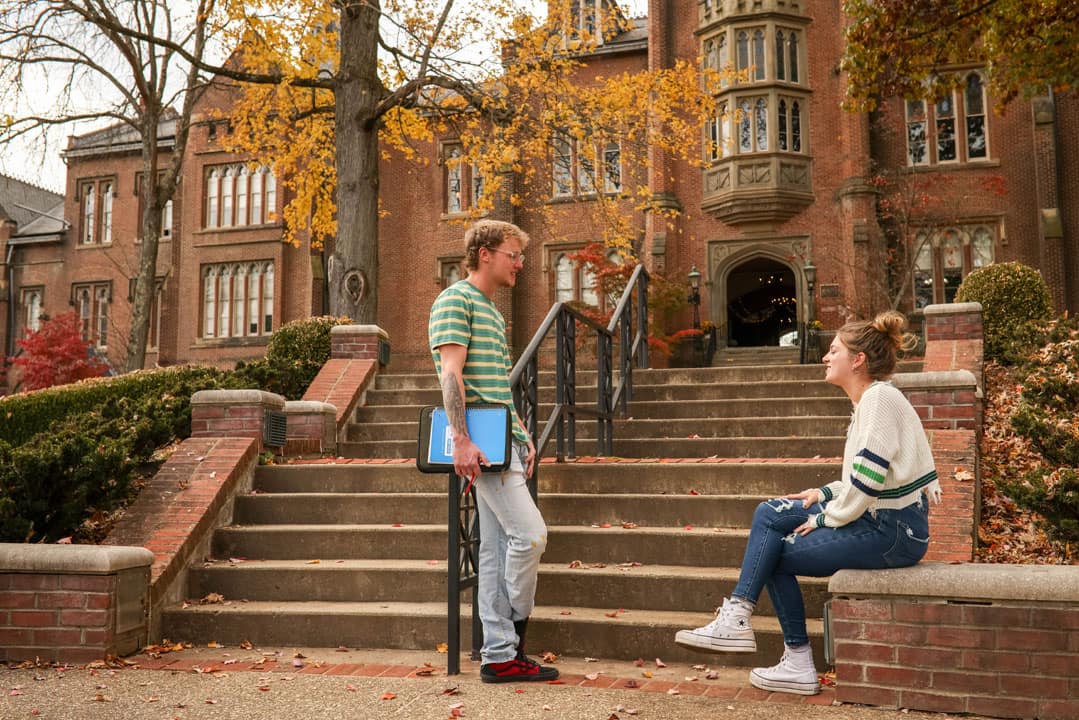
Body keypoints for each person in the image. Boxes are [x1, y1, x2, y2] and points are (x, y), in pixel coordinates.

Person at [675, 310, 940, 695]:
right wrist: (825, 494)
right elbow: (866, 479)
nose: (825, 357)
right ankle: (742, 618)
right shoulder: (872, 400)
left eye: (834, 350)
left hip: (892, 530)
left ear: (858, 359)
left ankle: (787, 653)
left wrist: (825, 518)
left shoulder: (879, 398)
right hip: (886, 522)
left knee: (775, 554)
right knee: (768, 514)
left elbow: (866, 483)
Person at [428, 219, 558, 684]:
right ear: (485, 253)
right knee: (532, 536)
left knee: (494, 552)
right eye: (513, 254)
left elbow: (497, 387)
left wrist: (524, 439)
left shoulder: (492, 312)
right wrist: (461, 440)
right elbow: (451, 375)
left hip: (505, 443)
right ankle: (515, 626)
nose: (520, 263)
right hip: (481, 447)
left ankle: (499, 655)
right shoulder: (455, 299)